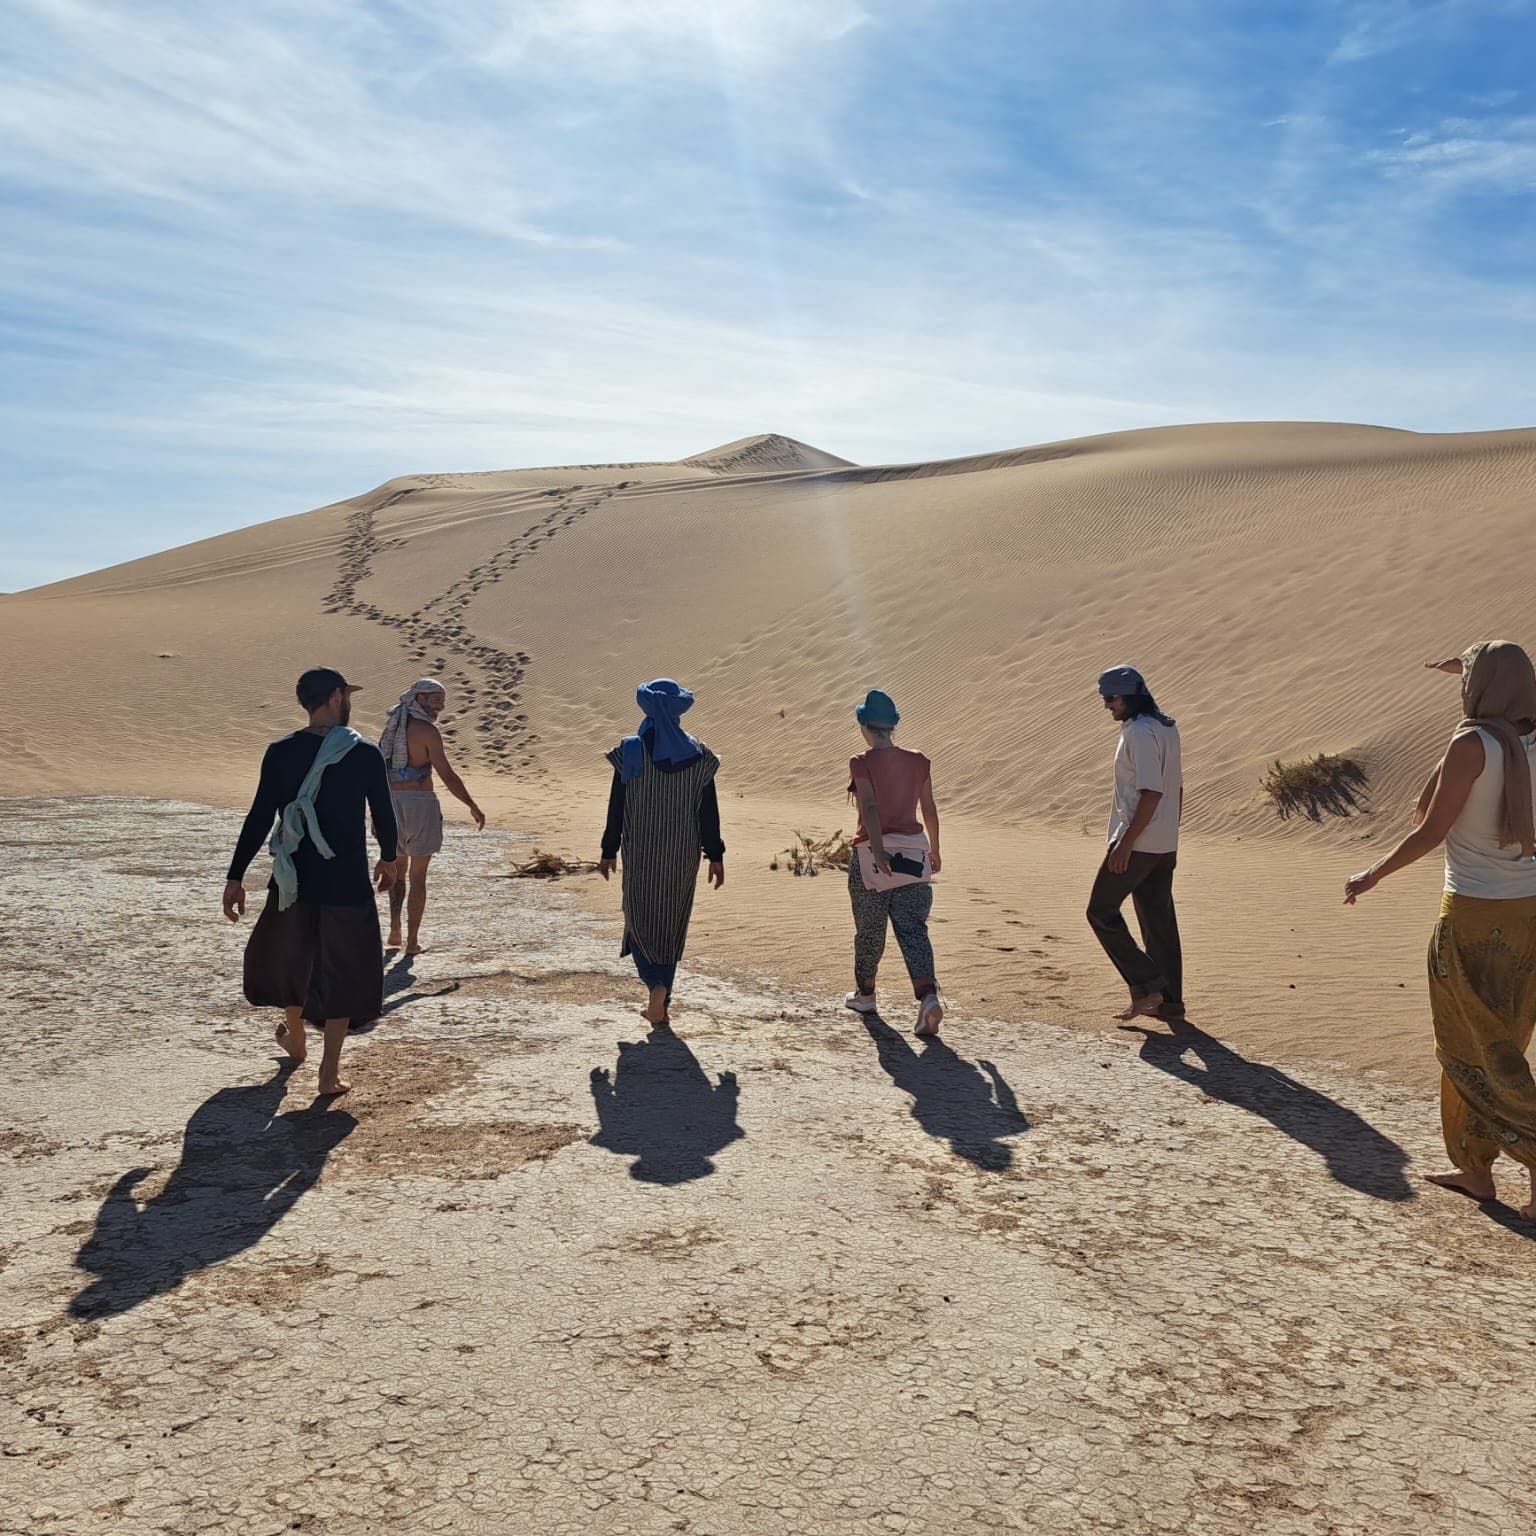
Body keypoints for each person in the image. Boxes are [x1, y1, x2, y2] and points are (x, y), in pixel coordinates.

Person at [1345, 643, 1536, 1219]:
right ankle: (1474, 1168)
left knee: (1469, 1046)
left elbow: (1429, 830)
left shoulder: (1472, 744)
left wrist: (1373, 874)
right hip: (1529, 913)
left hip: (1473, 916)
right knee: (1501, 1041)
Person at [224, 667, 398, 1097]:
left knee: (293, 956)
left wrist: (236, 875)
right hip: (346, 878)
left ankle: (297, 1038)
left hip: (292, 879)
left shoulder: (280, 751)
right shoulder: (363, 752)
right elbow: (383, 813)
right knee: (344, 968)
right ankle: (328, 1072)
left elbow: (260, 816)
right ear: (337, 696)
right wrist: (389, 858)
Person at [598, 679, 725, 1026]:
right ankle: (662, 998)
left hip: (640, 850)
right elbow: (708, 812)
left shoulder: (631, 750)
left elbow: (617, 807)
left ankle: (654, 986)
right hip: (683, 853)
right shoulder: (700, 755)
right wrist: (716, 855)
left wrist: (608, 850)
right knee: (671, 923)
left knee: (637, 917)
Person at [843, 689, 945, 1036]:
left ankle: (866, 995)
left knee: (870, 930)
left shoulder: (862, 761)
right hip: (915, 855)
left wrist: (878, 847)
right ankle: (928, 998)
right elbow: (929, 809)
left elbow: (869, 807)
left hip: (874, 857)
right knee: (914, 929)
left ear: (864, 726)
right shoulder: (919, 760)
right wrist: (936, 849)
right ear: (893, 726)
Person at [1087, 664, 1185, 1024]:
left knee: (1100, 911)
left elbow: (1152, 791)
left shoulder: (1141, 733)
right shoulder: (1165, 727)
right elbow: (1176, 787)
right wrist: (1169, 832)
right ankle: (1170, 1002)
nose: (1107, 706)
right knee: (1158, 918)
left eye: (1111, 699)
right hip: (1163, 841)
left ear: (1129, 697)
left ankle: (1147, 987)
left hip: (1140, 840)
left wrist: (1126, 843)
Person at [377, 677, 485, 956]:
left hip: (390, 805)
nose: (441, 706)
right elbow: (447, 774)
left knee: (397, 870)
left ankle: (395, 930)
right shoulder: (426, 731)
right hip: (420, 805)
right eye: (436, 699)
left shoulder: (391, 728)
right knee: (418, 876)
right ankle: (412, 941)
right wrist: (471, 804)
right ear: (420, 699)